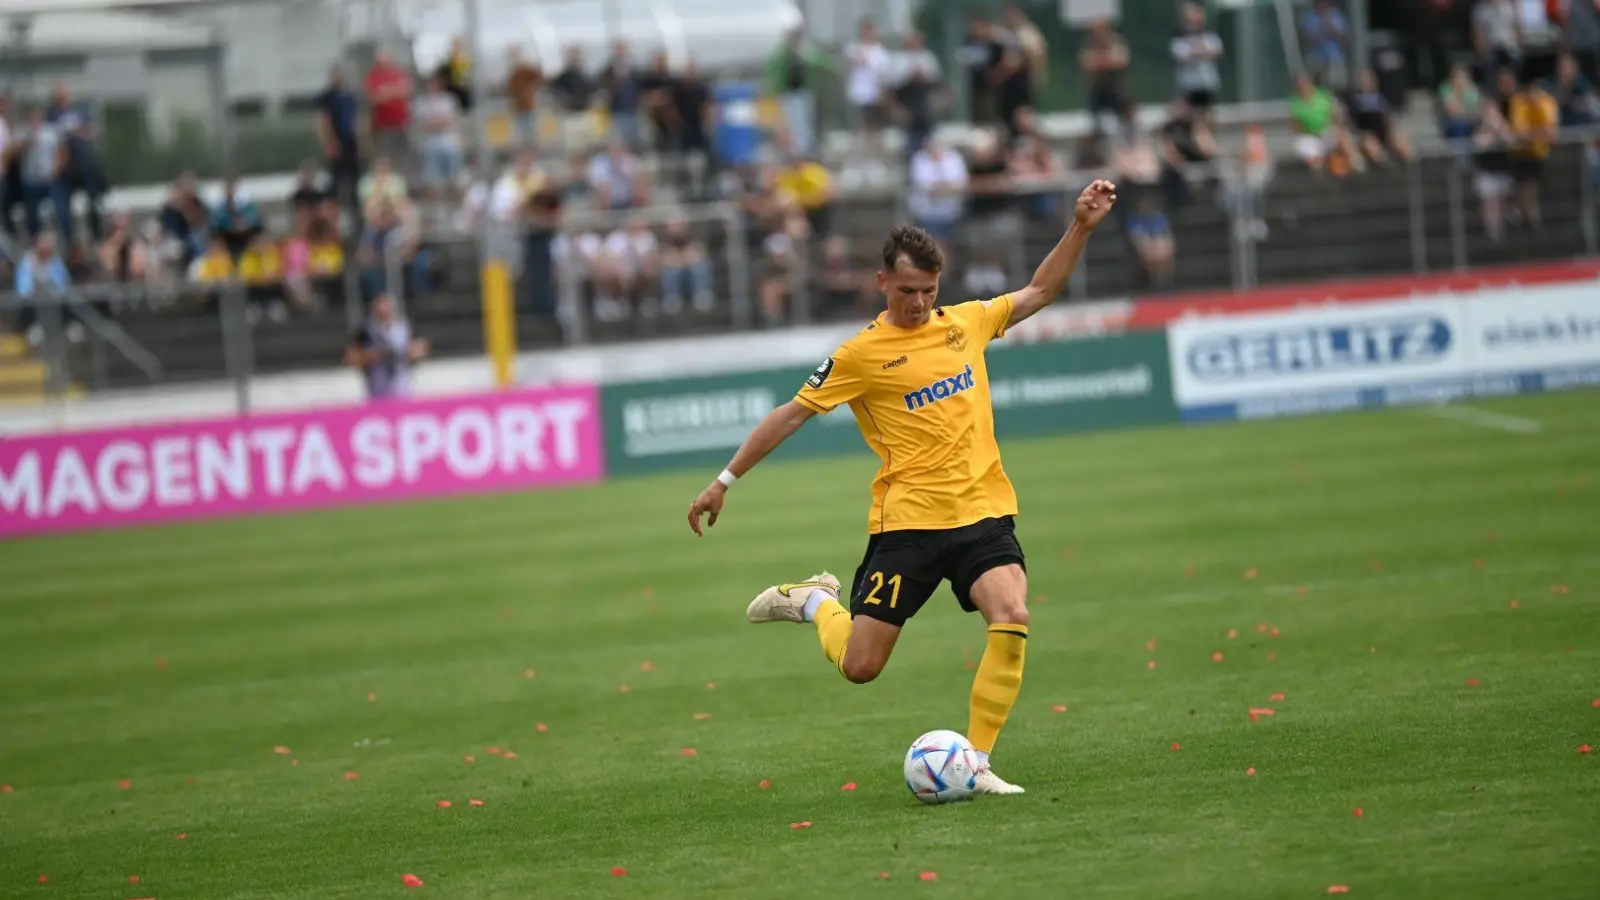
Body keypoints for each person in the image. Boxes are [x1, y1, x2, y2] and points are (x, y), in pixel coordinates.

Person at [684, 181, 1121, 797]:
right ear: (883, 282)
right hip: (907, 525)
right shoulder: (861, 354)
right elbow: (790, 414)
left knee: (1012, 612)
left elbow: (1042, 290)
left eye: (929, 292)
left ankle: (977, 762)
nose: (919, 304)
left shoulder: (965, 323)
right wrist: (723, 481)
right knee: (861, 667)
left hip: (981, 514)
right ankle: (814, 601)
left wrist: (1080, 227)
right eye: (908, 291)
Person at [345, 292, 428, 401]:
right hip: (377, 387)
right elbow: (351, 358)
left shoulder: (405, 327)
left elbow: (421, 349)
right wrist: (373, 356)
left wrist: (407, 353)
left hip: (403, 387)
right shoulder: (366, 331)